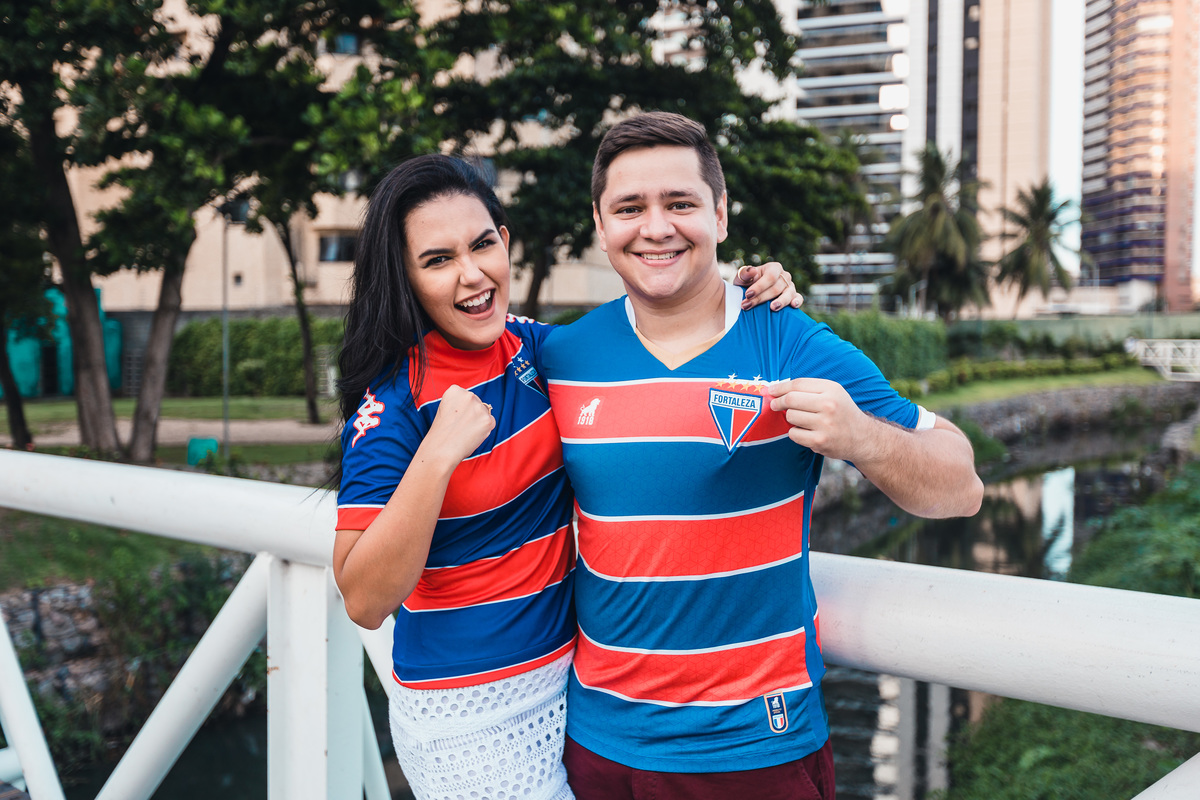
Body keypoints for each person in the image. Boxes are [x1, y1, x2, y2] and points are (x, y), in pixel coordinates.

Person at [533, 112, 985, 799]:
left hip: (754, 751)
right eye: (630, 208)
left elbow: (960, 484)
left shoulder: (787, 339)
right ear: (601, 224)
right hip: (597, 746)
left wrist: (860, 436)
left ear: (719, 212)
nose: (655, 227)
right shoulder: (560, 355)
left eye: (680, 203)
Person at [331, 154, 802, 800]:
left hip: (577, 689)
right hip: (469, 720)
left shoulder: (539, 352)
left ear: (506, 242)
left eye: (483, 244)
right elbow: (363, 598)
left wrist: (744, 292)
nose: (472, 274)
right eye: (438, 260)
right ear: (406, 278)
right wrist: (436, 458)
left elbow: (657, 339)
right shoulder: (394, 407)